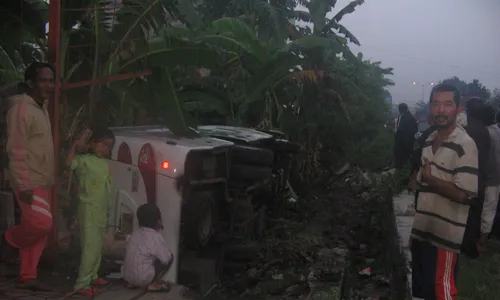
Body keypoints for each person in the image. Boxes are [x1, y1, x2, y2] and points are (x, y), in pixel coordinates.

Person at [411, 83, 478, 300]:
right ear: (430, 108)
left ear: (458, 108)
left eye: (447, 104)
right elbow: (423, 187)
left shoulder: (465, 144)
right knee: (425, 290)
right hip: (424, 232)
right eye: (436, 104)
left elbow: (465, 195)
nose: (441, 110)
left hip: (445, 237)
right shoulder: (429, 139)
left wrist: (432, 180)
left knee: (443, 291)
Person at [0, 62, 55, 291]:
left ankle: (28, 276)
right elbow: (17, 149)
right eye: (43, 80)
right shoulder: (21, 109)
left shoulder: (41, 106)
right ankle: (8, 240)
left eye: (51, 80)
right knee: (42, 224)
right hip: (29, 181)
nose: (49, 85)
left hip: (43, 178)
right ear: (31, 83)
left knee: (39, 232)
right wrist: (23, 184)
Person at [66, 128, 115, 295]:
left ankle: (93, 275)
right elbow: (67, 164)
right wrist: (76, 145)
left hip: (100, 211)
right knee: (90, 246)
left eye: (108, 147)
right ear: (92, 143)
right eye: (103, 145)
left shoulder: (103, 164)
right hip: (88, 209)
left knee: (98, 245)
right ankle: (81, 284)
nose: (105, 149)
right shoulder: (83, 160)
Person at [461, 97, 490, 258]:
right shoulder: (483, 131)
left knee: (466, 214)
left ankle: (467, 247)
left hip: (467, 176)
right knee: (474, 215)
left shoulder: (466, 130)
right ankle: (470, 247)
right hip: (479, 178)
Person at [123, 203, 173, 293]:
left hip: (127, 277)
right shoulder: (155, 237)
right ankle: (154, 284)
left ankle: (133, 283)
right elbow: (166, 259)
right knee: (169, 256)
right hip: (143, 279)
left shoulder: (134, 234)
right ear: (158, 221)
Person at [478, 105, 500, 250]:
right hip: (495, 177)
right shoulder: (497, 131)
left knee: (487, 209)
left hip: (490, 177)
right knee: (490, 208)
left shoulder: (486, 133)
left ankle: (482, 241)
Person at [408, 115, 436, 206]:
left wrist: (413, 176)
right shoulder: (448, 133)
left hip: (425, 177)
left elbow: (417, 156)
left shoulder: (428, 134)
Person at [394, 103, 418, 169]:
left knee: (402, 158)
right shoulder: (408, 117)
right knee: (407, 158)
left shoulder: (406, 117)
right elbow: (415, 129)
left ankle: (402, 171)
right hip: (407, 142)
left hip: (404, 142)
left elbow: (400, 129)